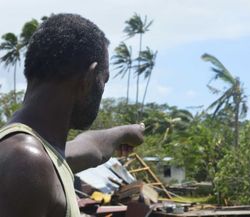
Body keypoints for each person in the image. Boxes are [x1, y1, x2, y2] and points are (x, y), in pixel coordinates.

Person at [0, 13, 144, 217]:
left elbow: (92, 146)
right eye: (105, 80)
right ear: (90, 78)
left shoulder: (37, 152)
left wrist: (127, 132)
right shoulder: (28, 163)